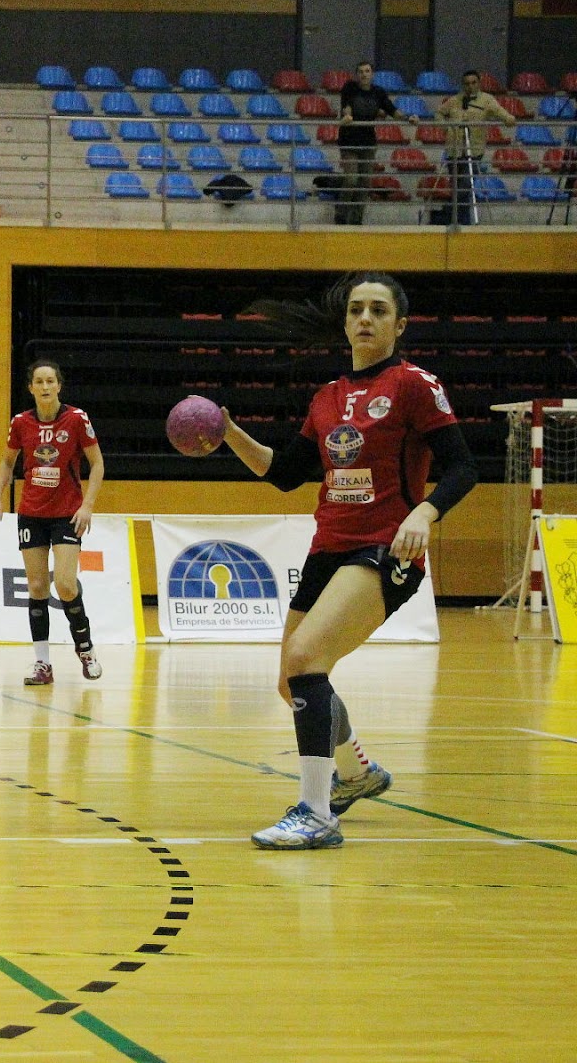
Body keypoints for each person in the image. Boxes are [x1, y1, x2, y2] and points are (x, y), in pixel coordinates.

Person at [217, 273, 477, 850]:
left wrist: (425, 514)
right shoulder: (328, 396)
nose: (365, 318)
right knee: (293, 681)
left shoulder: (413, 385)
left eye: (378, 310)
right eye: (356, 309)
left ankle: (316, 812)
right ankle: (357, 773)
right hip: (328, 547)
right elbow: (285, 474)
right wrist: (230, 432)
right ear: (344, 323)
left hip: (386, 546)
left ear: (399, 325)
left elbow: (464, 468)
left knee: (308, 656)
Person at [0, 359, 105, 686]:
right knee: (37, 587)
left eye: (50, 381)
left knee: (65, 584)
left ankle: (86, 648)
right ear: (31, 388)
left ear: (59, 385)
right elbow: (7, 463)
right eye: (39, 381)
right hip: (32, 514)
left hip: (67, 513)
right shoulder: (21, 422)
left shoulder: (77, 419)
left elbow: (97, 464)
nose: (45, 386)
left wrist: (88, 506)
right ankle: (42, 663)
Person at [336, 61, 417, 225]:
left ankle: (356, 218)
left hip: (368, 142)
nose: (364, 74)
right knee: (351, 179)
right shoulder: (350, 87)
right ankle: (342, 213)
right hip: (349, 140)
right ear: (356, 74)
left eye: (367, 71)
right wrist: (347, 116)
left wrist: (409, 117)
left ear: (372, 74)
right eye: (360, 71)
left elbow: (392, 110)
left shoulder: (378, 92)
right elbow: (347, 106)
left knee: (365, 182)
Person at [435, 70, 515, 226]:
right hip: (454, 150)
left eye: (473, 82)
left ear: (479, 83)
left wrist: (508, 118)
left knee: (465, 185)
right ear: (462, 85)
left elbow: (500, 112)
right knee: (457, 187)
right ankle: (459, 220)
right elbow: (439, 113)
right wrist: (447, 128)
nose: (470, 86)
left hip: (474, 150)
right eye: (467, 83)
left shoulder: (487, 100)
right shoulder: (454, 100)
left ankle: (459, 221)